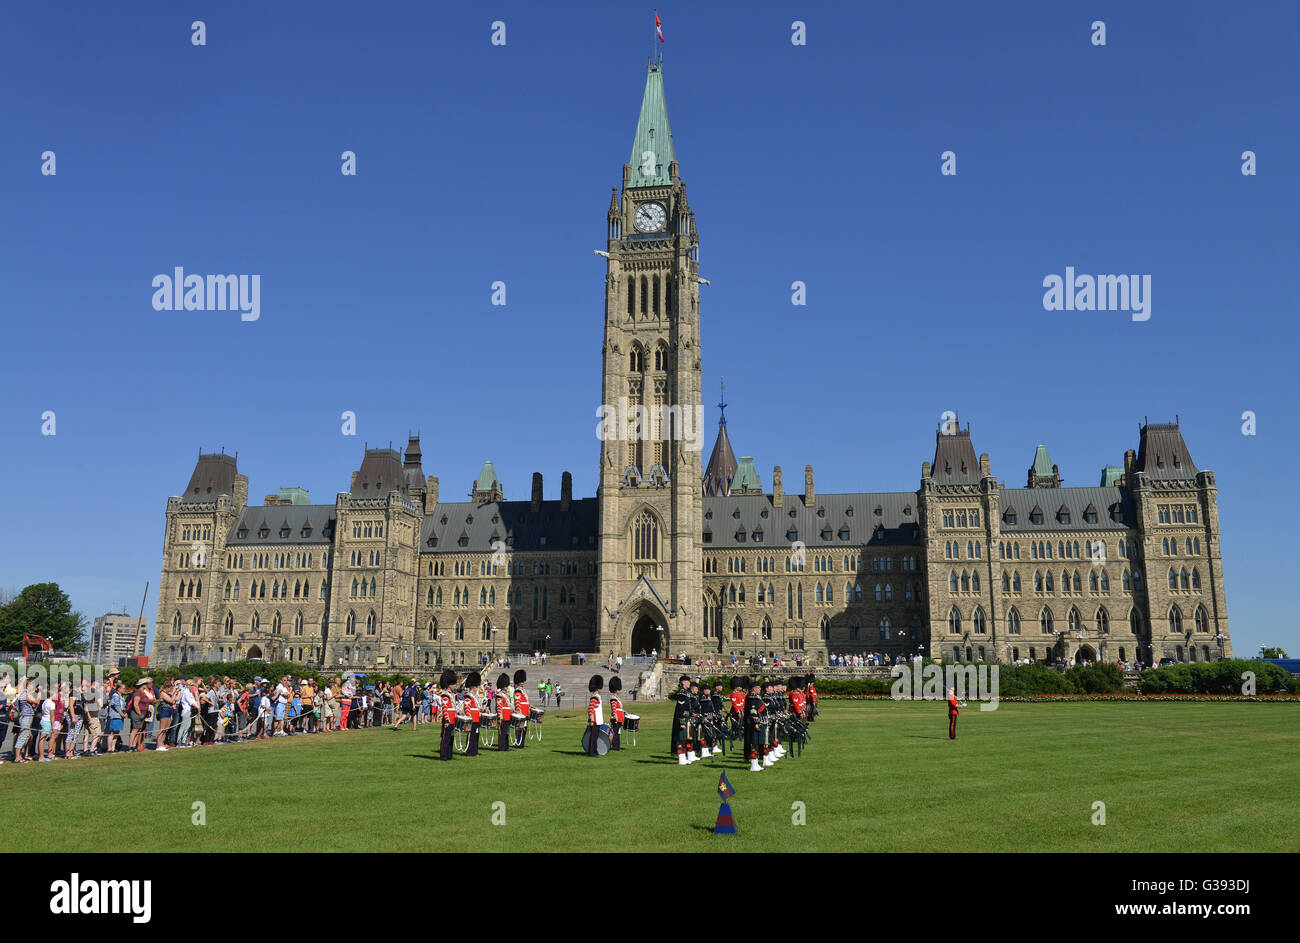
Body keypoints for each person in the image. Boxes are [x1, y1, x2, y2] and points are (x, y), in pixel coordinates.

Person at [670, 674, 692, 765]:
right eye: (687, 681)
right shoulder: (682, 693)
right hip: (681, 719)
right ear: (683, 683)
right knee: (680, 739)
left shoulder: (686, 693)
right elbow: (680, 709)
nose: (689, 683)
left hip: (686, 718)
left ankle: (683, 757)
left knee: (684, 739)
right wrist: (682, 722)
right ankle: (680, 758)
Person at [744, 677, 765, 772]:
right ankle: (753, 765)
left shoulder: (755, 696)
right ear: (753, 689)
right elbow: (753, 711)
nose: (760, 689)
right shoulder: (752, 696)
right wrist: (756, 723)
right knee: (754, 744)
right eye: (758, 688)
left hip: (754, 723)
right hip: (752, 723)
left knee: (756, 744)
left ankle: (756, 764)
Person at [462, 672, 482, 756]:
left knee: (476, 735)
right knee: (471, 736)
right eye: (476, 686)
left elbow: (477, 707)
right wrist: (469, 718)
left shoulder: (475, 696)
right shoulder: (468, 695)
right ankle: (470, 752)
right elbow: (467, 708)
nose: (477, 688)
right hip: (472, 719)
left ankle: (475, 751)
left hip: (477, 718)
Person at [585, 674, 604, 757]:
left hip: (598, 720)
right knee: (593, 737)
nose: (601, 690)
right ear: (597, 688)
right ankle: (591, 752)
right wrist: (591, 720)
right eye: (600, 688)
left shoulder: (597, 697)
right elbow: (590, 709)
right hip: (595, 720)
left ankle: (595, 751)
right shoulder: (594, 697)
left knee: (595, 737)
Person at [495, 673, 513, 751]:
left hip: (508, 716)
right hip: (503, 716)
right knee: (502, 732)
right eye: (506, 686)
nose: (507, 687)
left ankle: (506, 746)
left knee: (506, 732)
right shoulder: (500, 695)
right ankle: (501, 747)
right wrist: (500, 717)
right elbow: (499, 707)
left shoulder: (506, 695)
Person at [512, 670, 530, 748]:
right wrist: (519, 713)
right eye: (521, 681)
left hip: (525, 712)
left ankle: (522, 744)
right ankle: (518, 743)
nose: (523, 683)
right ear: (518, 682)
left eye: (523, 681)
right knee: (519, 728)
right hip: (521, 712)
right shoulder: (518, 691)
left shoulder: (523, 691)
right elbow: (518, 703)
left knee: (524, 728)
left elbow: (526, 702)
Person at [607, 675, 624, 750]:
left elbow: (619, 708)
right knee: (615, 733)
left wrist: (624, 712)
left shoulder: (617, 698)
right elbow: (614, 709)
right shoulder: (613, 698)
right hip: (616, 718)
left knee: (617, 733)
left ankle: (617, 746)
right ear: (616, 689)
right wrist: (615, 718)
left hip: (620, 718)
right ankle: (615, 746)